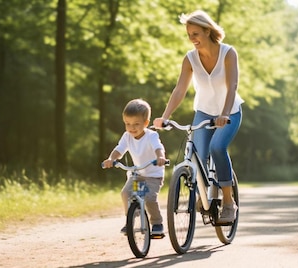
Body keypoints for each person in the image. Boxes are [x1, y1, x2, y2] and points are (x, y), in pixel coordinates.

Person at [153, 10, 243, 223]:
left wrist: (224, 114)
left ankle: (229, 202)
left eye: (195, 34)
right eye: (189, 35)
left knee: (217, 148)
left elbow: (233, 87)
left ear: (207, 30)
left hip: (229, 112)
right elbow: (179, 90)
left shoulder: (228, 53)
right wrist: (164, 116)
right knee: (198, 157)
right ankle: (205, 197)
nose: (192, 39)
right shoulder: (190, 58)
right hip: (203, 112)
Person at [103, 99, 167, 235]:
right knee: (126, 193)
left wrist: (160, 157)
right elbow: (119, 150)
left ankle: (157, 223)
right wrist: (111, 159)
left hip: (153, 175)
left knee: (149, 198)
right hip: (138, 174)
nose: (132, 128)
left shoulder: (151, 135)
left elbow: (158, 148)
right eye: (127, 124)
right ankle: (130, 219)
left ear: (146, 123)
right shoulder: (127, 136)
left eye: (136, 124)